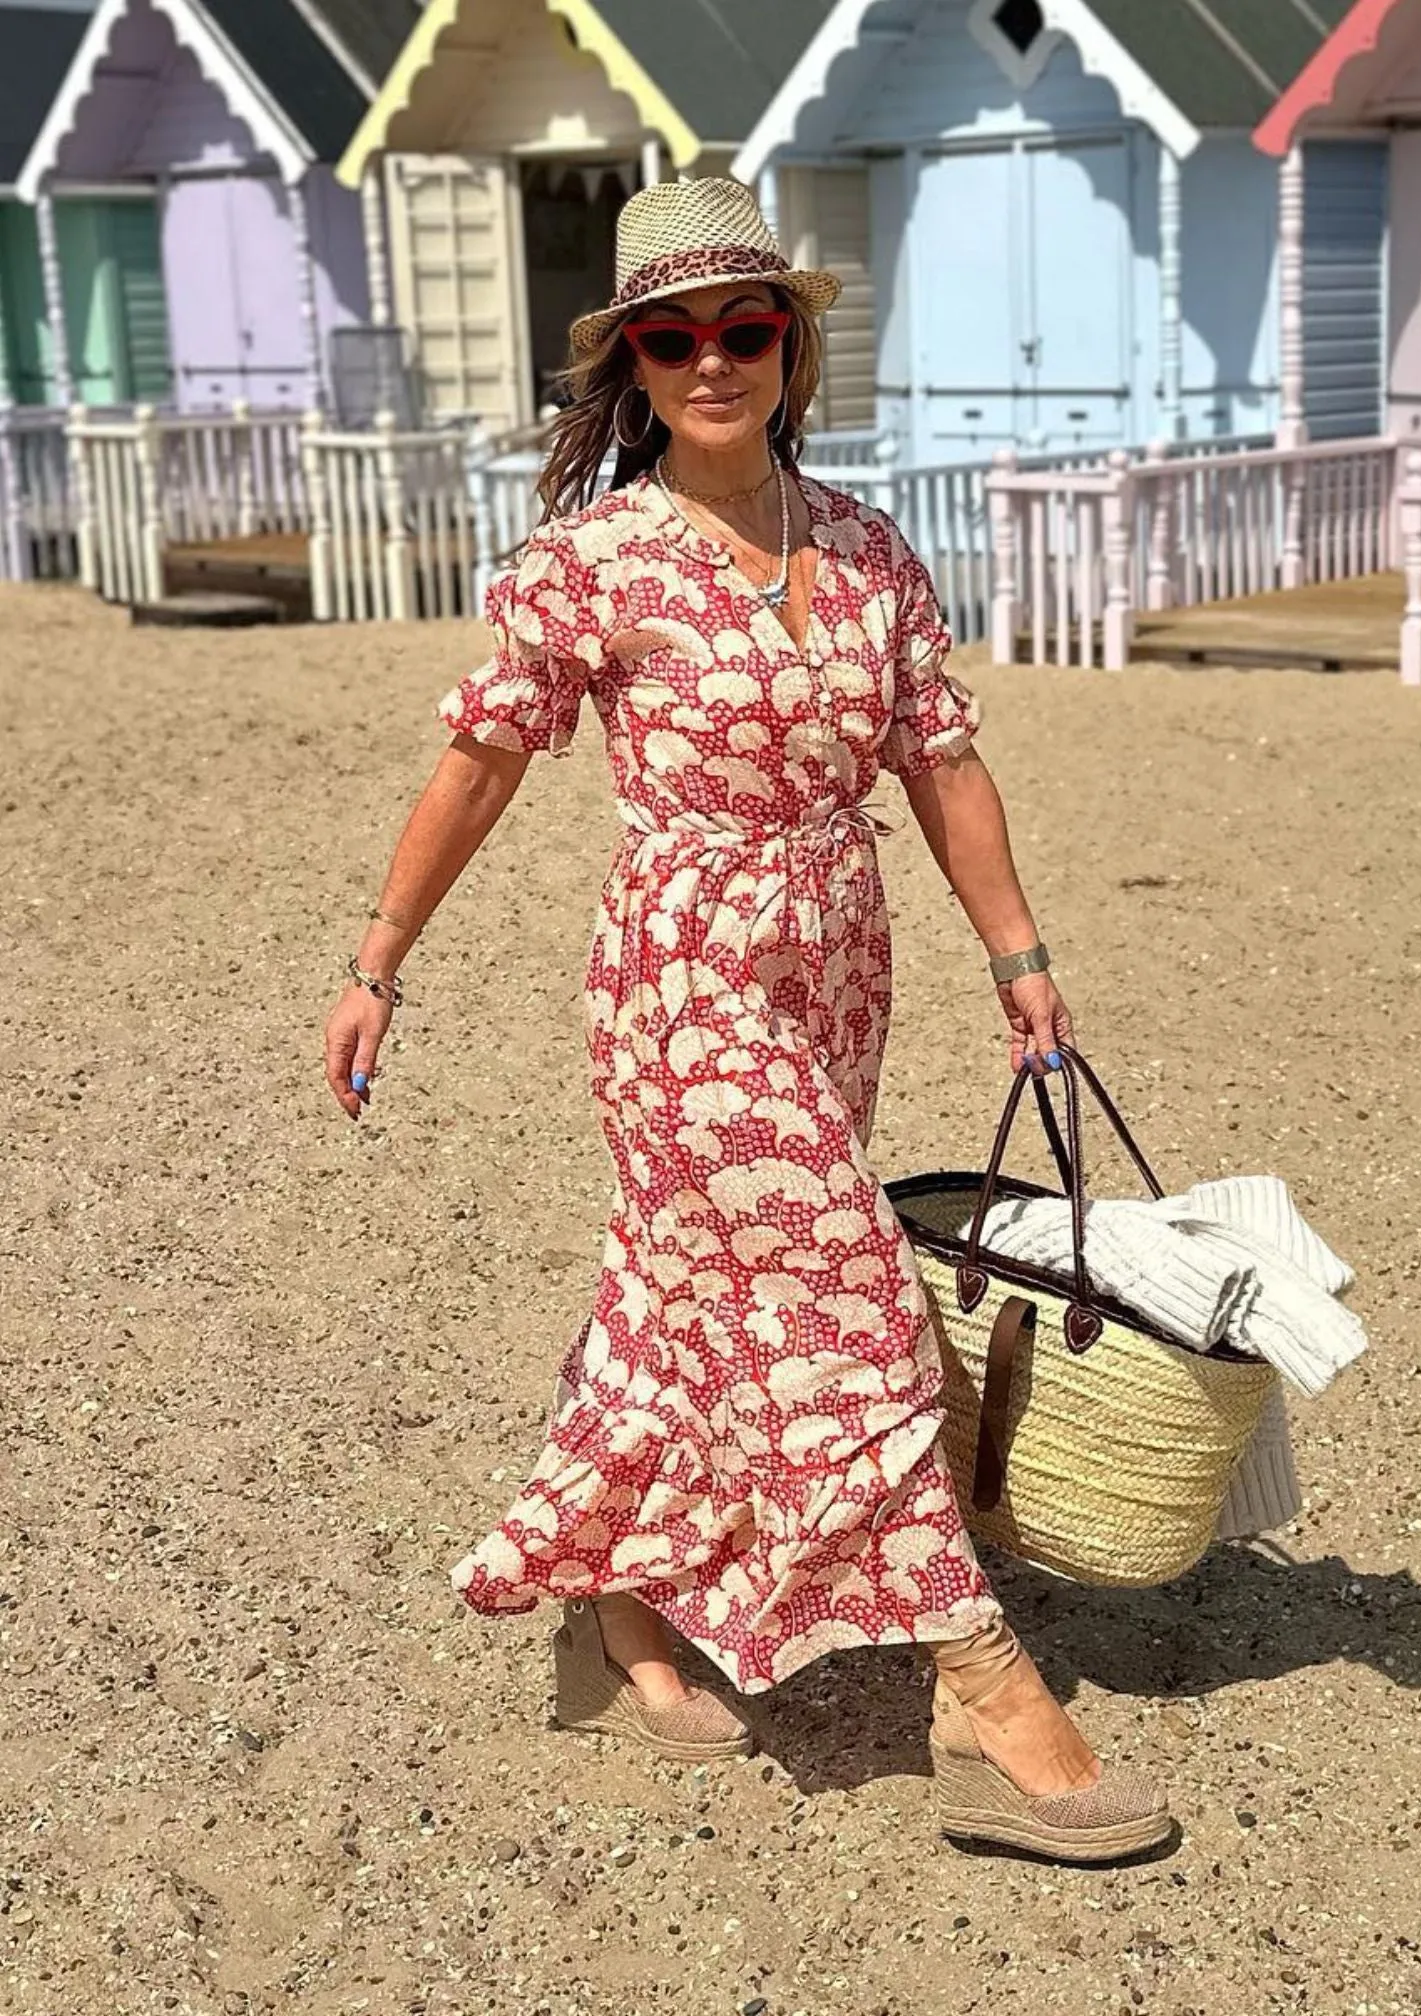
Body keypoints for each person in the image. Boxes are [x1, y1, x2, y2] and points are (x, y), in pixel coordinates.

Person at [324, 180, 1173, 1865]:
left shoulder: (864, 547)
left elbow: (942, 760)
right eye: (672, 336)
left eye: (745, 328)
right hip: (681, 975)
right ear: (631, 365)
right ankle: (978, 1676)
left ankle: (624, 1612)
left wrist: (1018, 956)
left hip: (837, 961)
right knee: (844, 1282)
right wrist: (378, 958)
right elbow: (483, 759)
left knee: (684, 1291)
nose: (712, 361)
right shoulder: (589, 562)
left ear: (792, 343)